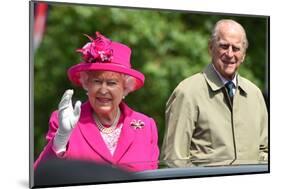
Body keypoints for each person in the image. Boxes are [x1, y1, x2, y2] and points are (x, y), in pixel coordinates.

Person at [34, 32, 159, 172]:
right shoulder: (63, 122)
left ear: (125, 88)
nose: (103, 90)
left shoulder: (146, 126)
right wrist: (60, 141)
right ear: (86, 84)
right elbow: (40, 175)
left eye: (111, 83)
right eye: (97, 82)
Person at [161, 19, 268, 167]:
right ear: (211, 47)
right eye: (224, 46)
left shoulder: (255, 94)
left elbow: (265, 151)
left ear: (243, 55)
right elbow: (174, 160)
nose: (230, 54)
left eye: (236, 48)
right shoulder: (187, 92)